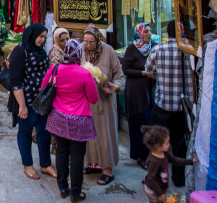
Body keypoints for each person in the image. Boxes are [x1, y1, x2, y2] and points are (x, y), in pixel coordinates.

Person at [43, 39, 98, 203]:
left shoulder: (55, 69)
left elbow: (43, 89)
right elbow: (93, 99)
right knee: (77, 156)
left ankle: (62, 188)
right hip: (79, 119)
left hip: (58, 117)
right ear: (79, 54)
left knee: (61, 152)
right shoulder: (84, 74)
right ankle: (76, 192)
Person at [145, 20, 194, 187]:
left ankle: (157, 177)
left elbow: (148, 70)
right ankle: (178, 179)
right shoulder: (189, 50)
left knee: (157, 143)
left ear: (167, 32)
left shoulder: (158, 49)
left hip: (162, 104)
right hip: (182, 106)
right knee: (180, 143)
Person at [7, 23, 57, 180]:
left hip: (42, 99)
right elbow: (15, 80)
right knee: (25, 131)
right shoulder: (20, 51)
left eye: (44, 37)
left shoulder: (39, 51)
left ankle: (45, 164)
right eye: (40, 36)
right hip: (27, 100)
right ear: (32, 35)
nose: (42, 40)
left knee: (44, 132)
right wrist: (22, 105)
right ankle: (27, 165)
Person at [82, 23, 124, 185]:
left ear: (98, 40)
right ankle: (92, 163)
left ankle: (107, 168)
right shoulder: (81, 50)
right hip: (87, 101)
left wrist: (115, 86)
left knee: (105, 134)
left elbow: (119, 75)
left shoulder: (109, 51)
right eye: (86, 41)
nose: (88, 45)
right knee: (89, 135)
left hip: (104, 101)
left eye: (91, 42)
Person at [122, 23, 156, 170]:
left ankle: (148, 154)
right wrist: (143, 73)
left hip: (149, 90)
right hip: (136, 92)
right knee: (139, 122)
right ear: (139, 33)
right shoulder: (132, 49)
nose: (149, 34)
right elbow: (126, 69)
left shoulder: (151, 48)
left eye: (150, 31)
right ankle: (140, 156)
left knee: (148, 122)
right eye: (146, 31)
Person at [142, 125, 197, 203]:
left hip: (159, 189)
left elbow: (176, 160)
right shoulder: (153, 161)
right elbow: (151, 178)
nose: (169, 144)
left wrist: (191, 161)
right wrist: (159, 194)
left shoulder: (164, 154)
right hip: (153, 191)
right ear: (158, 146)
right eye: (167, 143)